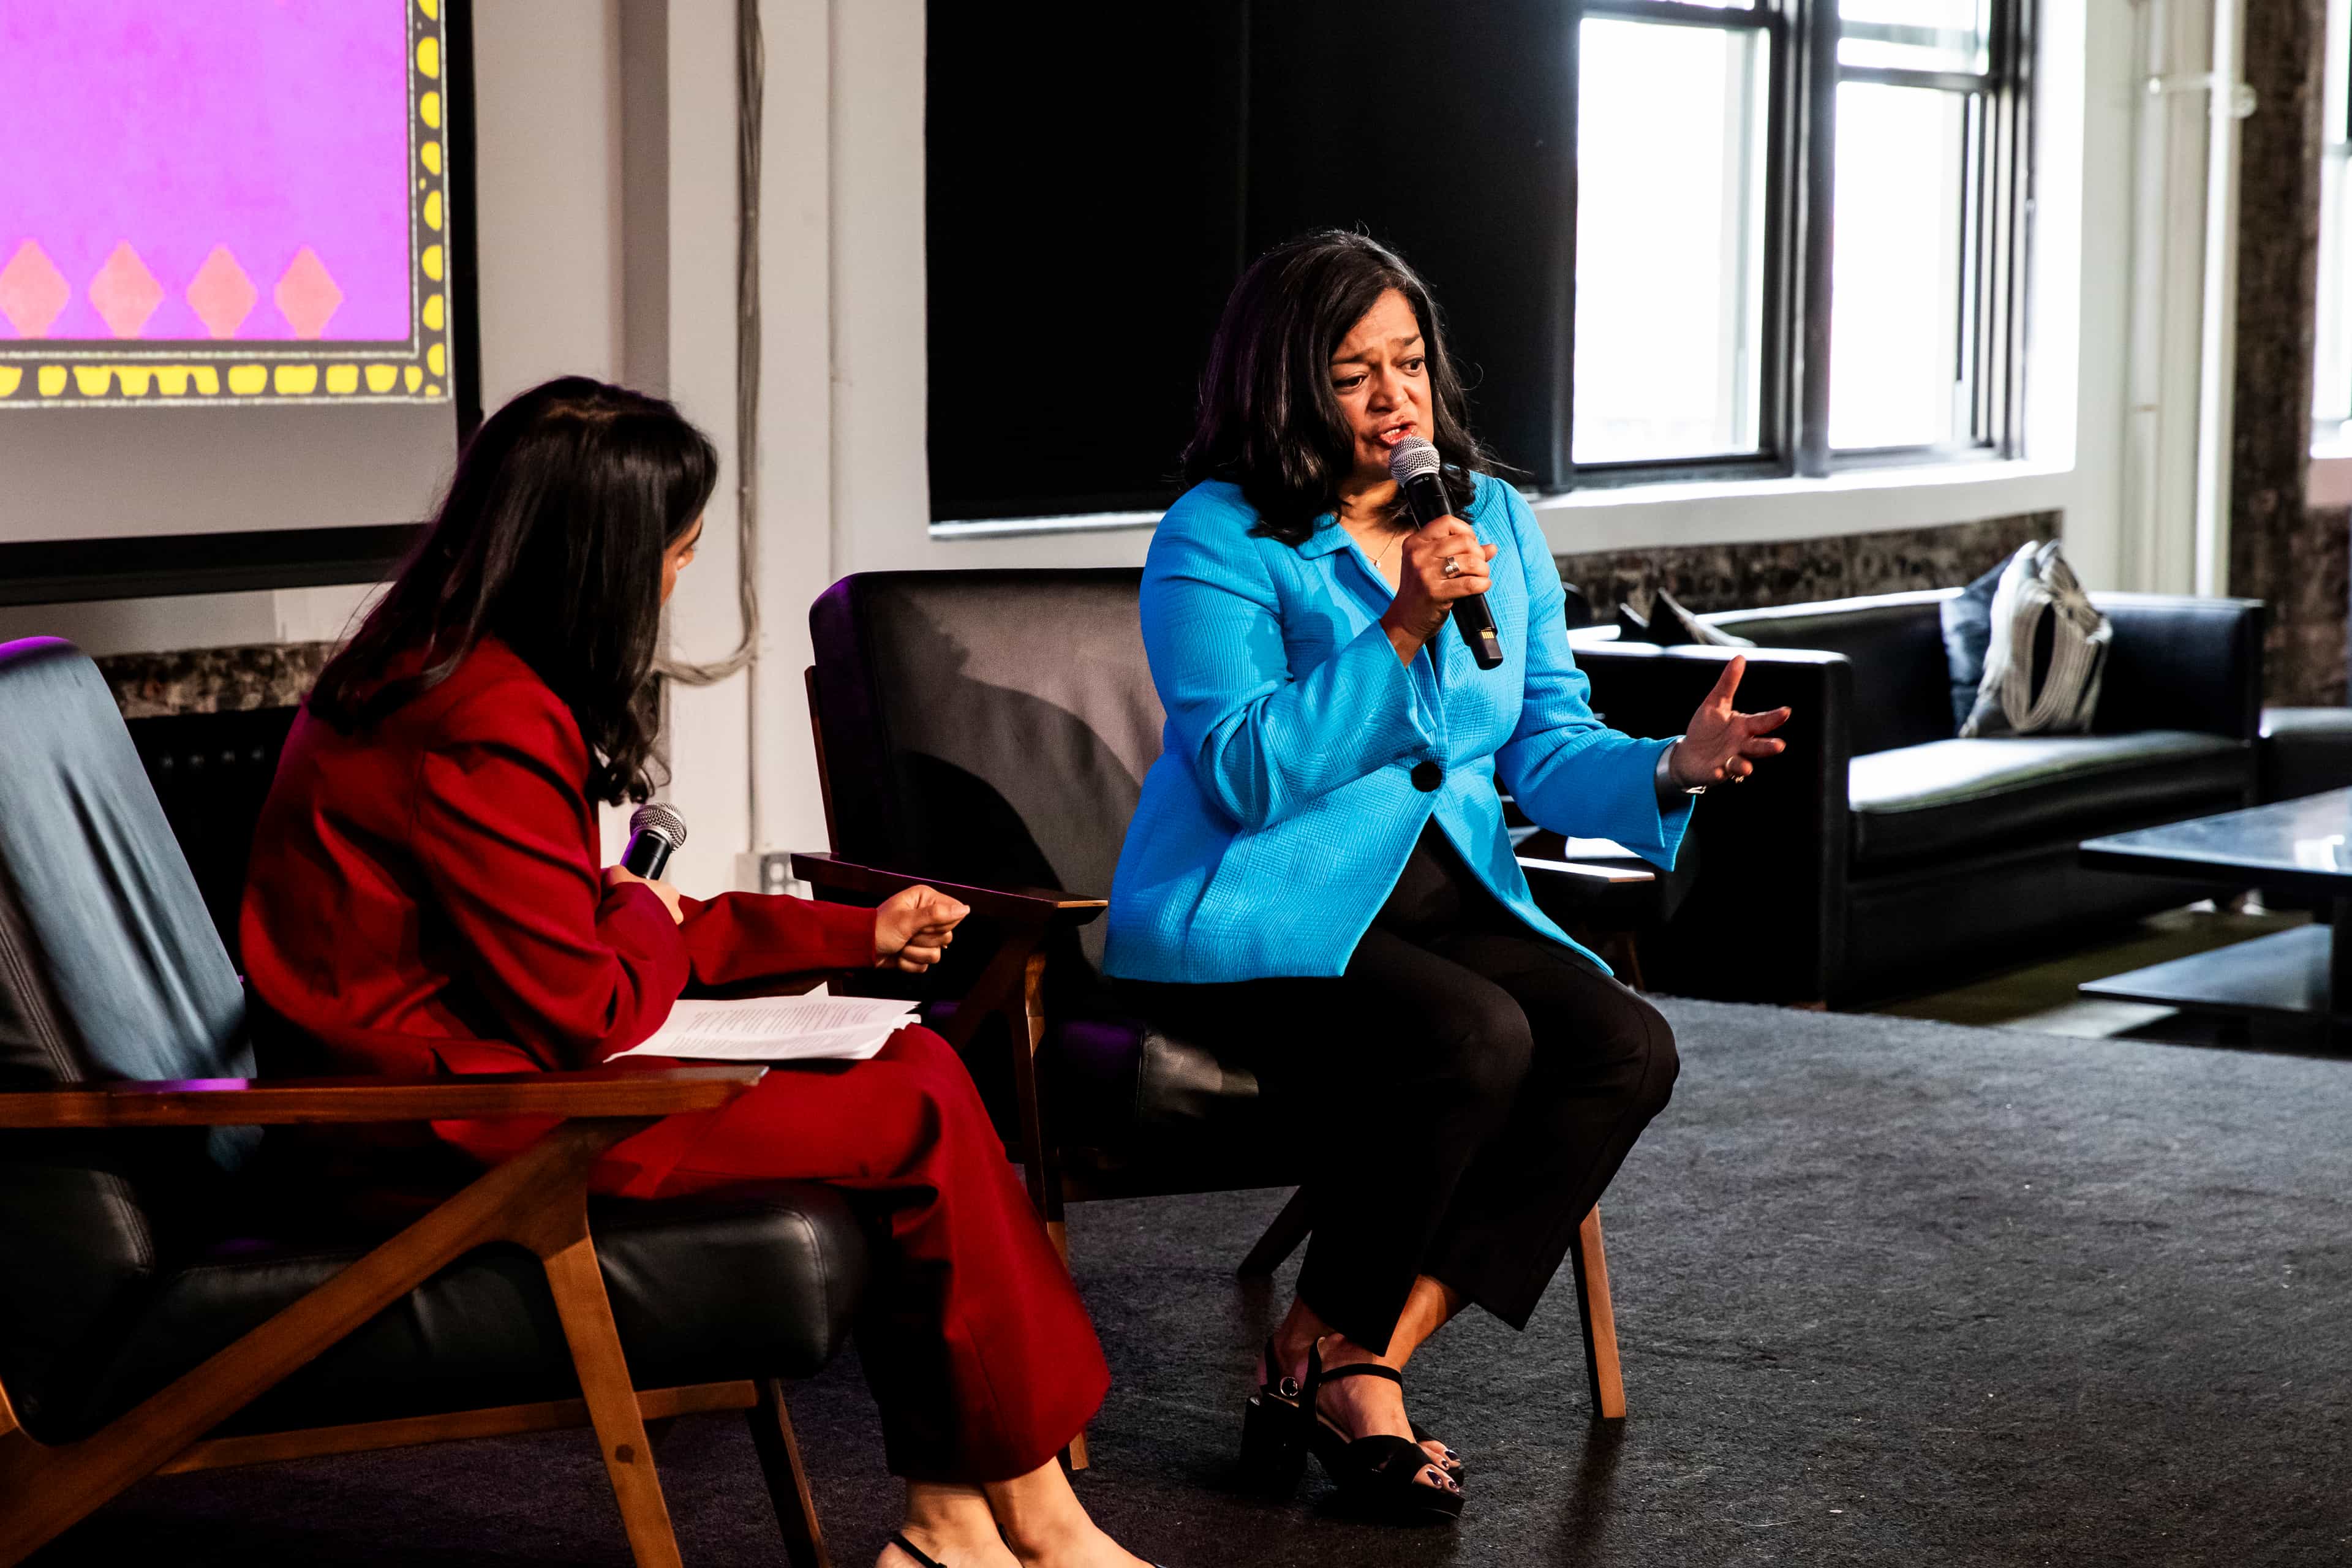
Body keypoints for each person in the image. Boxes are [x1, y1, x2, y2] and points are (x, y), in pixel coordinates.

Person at [241, 377, 1164, 1568]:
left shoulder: (438, 663)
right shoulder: (482, 718)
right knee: (918, 1086)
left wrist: (851, 932)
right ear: (598, 559)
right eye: (673, 553)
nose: (675, 580)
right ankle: (1029, 1523)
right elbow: (591, 999)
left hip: (476, 1078)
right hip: (448, 1125)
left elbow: (607, 923)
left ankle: (960, 1524)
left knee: (909, 1066)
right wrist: (636, 911)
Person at [1104, 233, 1790, 1523]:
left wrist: (1669, 770)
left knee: (1624, 1048)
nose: (1395, 398)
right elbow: (1245, 770)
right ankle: (1348, 1379)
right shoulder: (1219, 536)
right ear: (1284, 384)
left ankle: (1351, 1348)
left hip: (1445, 892)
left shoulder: (1492, 517)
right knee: (1477, 1034)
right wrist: (1401, 626)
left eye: (1409, 362)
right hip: (1258, 906)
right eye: (1355, 372)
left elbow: (1542, 737)